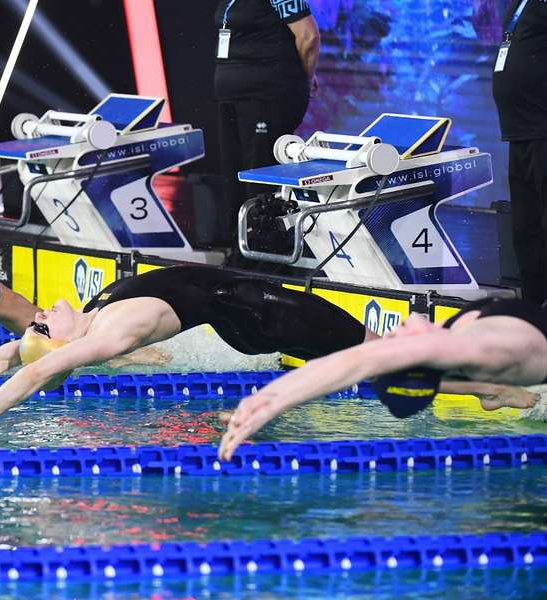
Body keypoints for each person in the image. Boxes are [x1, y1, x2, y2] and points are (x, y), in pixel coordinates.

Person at [0, 265, 374, 430]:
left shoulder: (92, 316)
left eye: (38, 324)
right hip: (263, 313)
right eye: (45, 330)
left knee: (381, 362)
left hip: (244, 316)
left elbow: (10, 357)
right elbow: (31, 373)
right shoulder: (110, 335)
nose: (42, 318)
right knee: (382, 355)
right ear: (64, 349)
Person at [217, 297, 547, 461]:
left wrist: (269, 399)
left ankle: (487, 393)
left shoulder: (441, 353)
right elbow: (359, 361)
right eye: (401, 346)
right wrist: (273, 402)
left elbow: (353, 364)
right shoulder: (467, 349)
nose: (395, 333)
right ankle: (489, 392)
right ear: (418, 361)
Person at [213, 0, 320, 258]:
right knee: (234, 174)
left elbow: (308, 35)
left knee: (259, 174)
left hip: (267, 93)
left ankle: (265, 254)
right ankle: (239, 250)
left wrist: (305, 78)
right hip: (231, 95)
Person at [492, 0, 547, 304]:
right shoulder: (520, 5)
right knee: (526, 231)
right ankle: (534, 308)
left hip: (543, 131)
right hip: (520, 133)